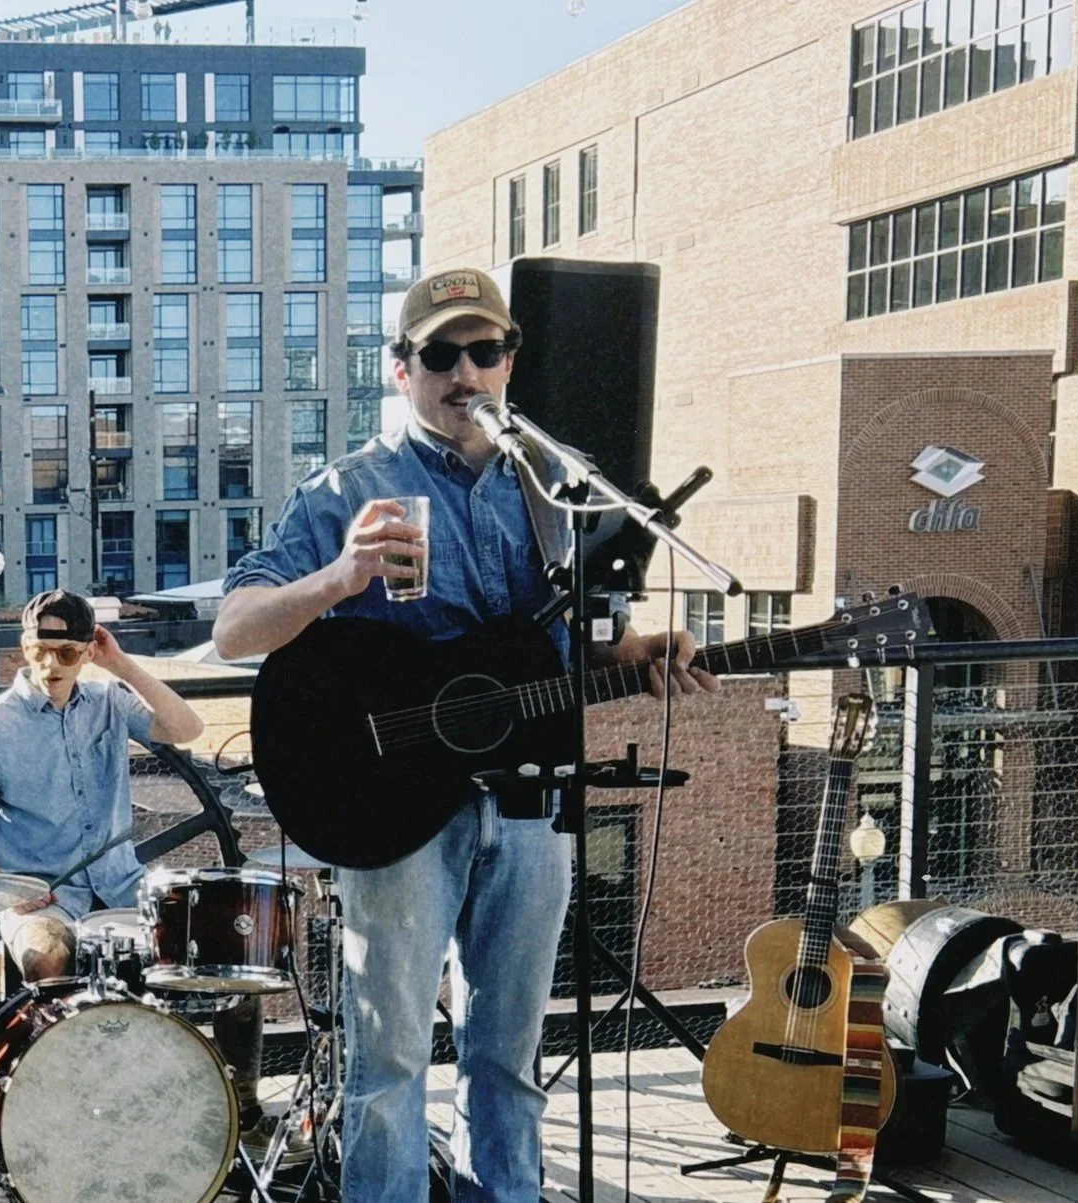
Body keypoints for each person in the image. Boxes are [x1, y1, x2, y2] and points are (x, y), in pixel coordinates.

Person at [214, 267, 718, 1203]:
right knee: (391, 1061)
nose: (465, 373)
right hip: (396, 806)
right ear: (401, 370)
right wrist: (339, 578)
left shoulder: (558, 485)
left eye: (485, 350)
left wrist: (637, 652)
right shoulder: (350, 488)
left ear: (510, 362)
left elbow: (560, 644)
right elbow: (234, 630)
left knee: (510, 1056)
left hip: (531, 800)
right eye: (440, 354)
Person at [0, 590, 204, 981]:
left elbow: (187, 729)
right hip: (43, 898)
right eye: (41, 651)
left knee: (211, 940)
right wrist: (9, 894)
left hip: (124, 885)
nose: (51, 664)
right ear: (25, 648)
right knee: (47, 959)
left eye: (66, 653)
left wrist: (121, 664)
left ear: (88, 653)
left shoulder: (110, 702)